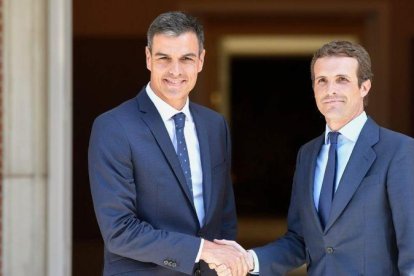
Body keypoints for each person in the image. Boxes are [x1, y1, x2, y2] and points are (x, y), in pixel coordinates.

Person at [217, 40, 414, 275]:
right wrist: (248, 259)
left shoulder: (399, 150)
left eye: (342, 79)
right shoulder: (308, 155)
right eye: (322, 81)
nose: (330, 90)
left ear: (365, 87)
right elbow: (300, 240)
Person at [89, 11, 251, 276]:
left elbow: (224, 216)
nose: (175, 71)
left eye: (186, 59)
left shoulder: (214, 126)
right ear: (148, 58)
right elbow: (118, 230)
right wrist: (203, 250)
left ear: (200, 61)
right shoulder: (114, 127)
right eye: (164, 58)